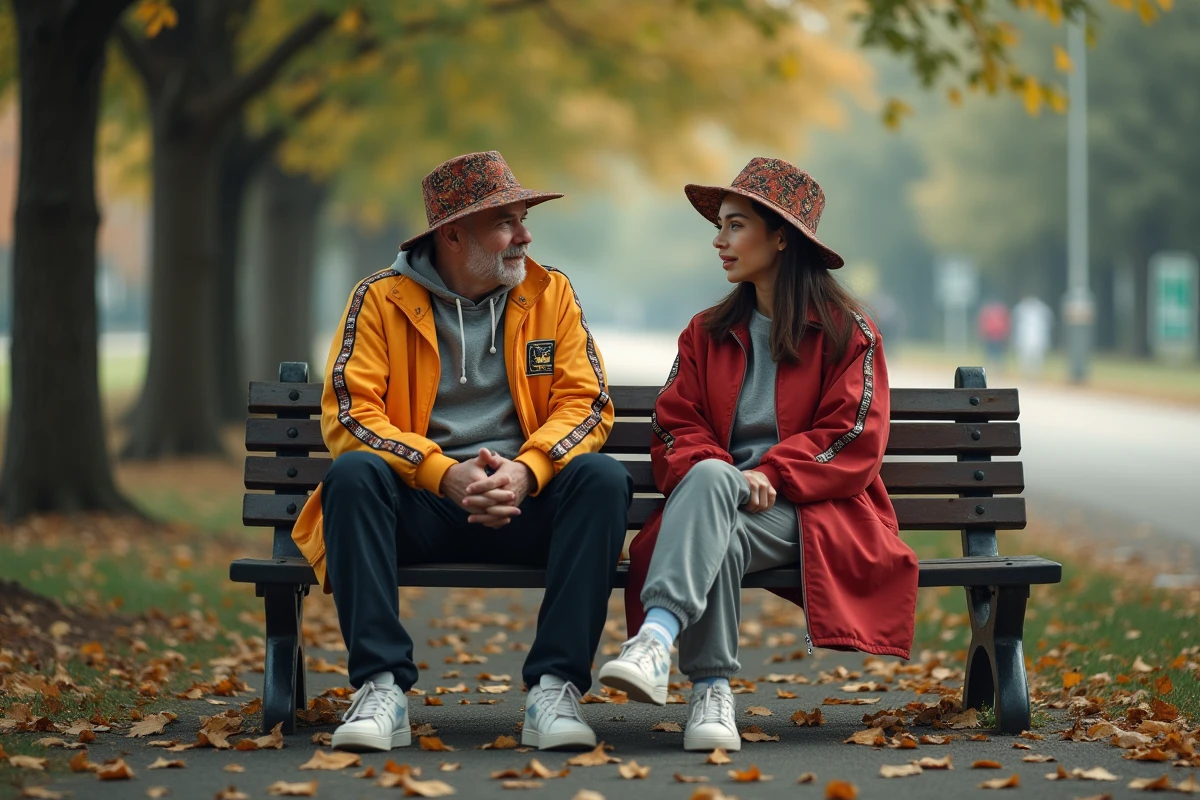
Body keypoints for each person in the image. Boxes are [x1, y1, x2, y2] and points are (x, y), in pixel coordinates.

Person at [291, 151, 631, 753]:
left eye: (524, 219)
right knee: (353, 474)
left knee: (602, 478)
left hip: (527, 506)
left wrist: (528, 472)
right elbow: (351, 413)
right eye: (506, 222)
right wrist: (440, 472)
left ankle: (555, 690)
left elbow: (587, 403)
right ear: (452, 234)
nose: (524, 235)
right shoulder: (379, 300)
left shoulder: (550, 294)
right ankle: (380, 688)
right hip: (421, 509)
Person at [598, 158, 919, 752]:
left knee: (715, 505)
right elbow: (674, 426)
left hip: (816, 513)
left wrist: (770, 473)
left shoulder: (849, 333)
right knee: (719, 513)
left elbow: (853, 436)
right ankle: (711, 694)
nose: (718, 241)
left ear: (780, 237)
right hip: (716, 503)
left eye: (735, 225)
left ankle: (657, 641)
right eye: (718, 226)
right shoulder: (705, 332)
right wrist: (724, 476)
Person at [1011, 294, 1054, 379]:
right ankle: (1026, 374)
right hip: (1026, 338)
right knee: (1025, 357)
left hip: (1036, 338)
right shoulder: (1022, 309)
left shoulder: (1041, 310)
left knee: (1037, 357)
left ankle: (1036, 374)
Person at [977, 299, 1011, 369]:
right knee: (991, 354)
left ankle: (997, 367)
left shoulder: (999, 312)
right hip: (991, 336)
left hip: (998, 336)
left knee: (997, 354)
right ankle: (992, 367)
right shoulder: (992, 312)